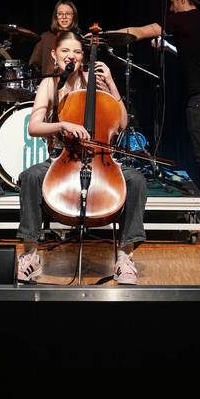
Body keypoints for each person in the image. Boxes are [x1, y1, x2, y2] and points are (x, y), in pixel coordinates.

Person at [16, 30, 147, 284]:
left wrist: (111, 83)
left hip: (100, 156)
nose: (71, 56)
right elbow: (34, 127)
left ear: (83, 56)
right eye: (65, 51)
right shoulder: (49, 84)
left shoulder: (94, 82)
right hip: (63, 156)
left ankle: (124, 256)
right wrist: (62, 125)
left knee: (137, 181)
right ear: (55, 55)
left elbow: (119, 123)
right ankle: (30, 254)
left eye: (77, 51)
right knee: (31, 177)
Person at [112, 0, 200, 226]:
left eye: (172, 3)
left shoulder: (181, 20)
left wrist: (107, 37)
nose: (171, 8)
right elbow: (194, 56)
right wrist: (169, 47)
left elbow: (141, 31)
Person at [28, 0, 80, 78]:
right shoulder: (45, 38)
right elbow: (33, 65)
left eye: (68, 14)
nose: (64, 17)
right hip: (48, 84)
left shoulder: (79, 39)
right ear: (56, 16)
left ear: (74, 16)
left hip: (73, 85)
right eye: (60, 14)